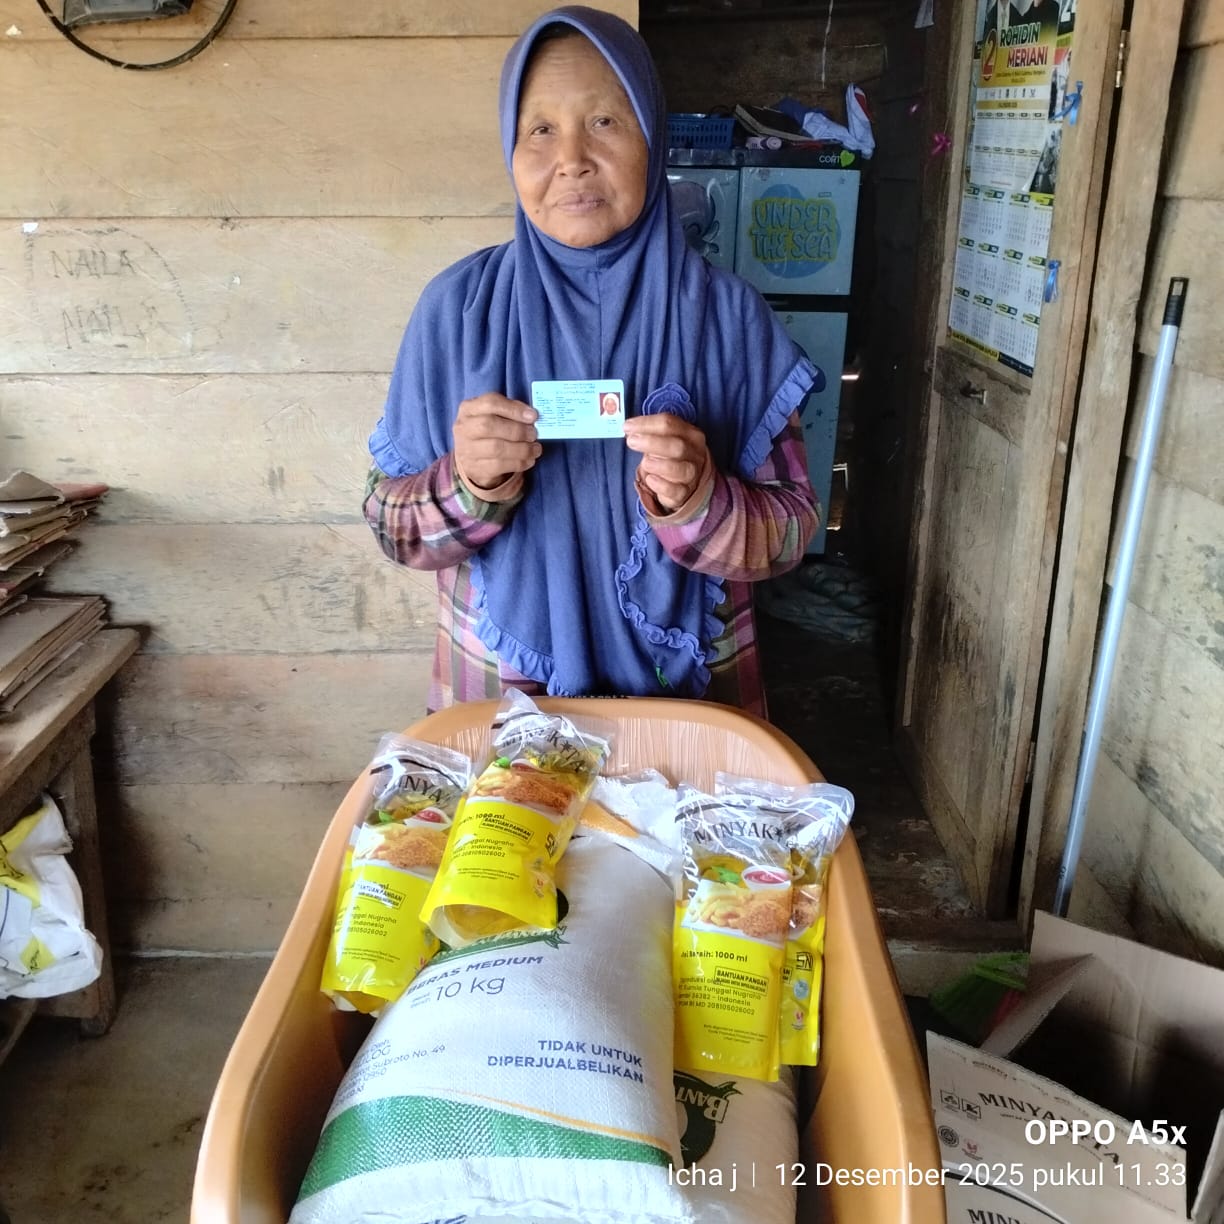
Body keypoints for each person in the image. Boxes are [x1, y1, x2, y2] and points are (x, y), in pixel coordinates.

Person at [364, 5, 820, 716]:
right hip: (501, 701)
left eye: (605, 121)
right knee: (507, 834)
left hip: (692, 705)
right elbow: (390, 525)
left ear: (652, 134)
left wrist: (701, 502)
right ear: (510, 151)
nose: (571, 157)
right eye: (540, 129)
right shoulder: (456, 312)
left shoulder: (730, 318)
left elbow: (791, 533)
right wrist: (469, 483)